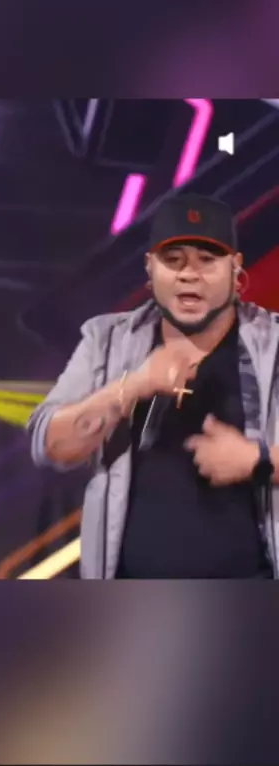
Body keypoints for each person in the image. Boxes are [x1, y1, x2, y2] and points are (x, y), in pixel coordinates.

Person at [27, 194, 279, 578]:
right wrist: (132, 387)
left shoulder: (273, 344)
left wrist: (255, 461)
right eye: (173, 260)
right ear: (150, 268)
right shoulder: (107, 341)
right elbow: (51, 446)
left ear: (235, 267)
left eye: (207, 260)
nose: (189, 274)